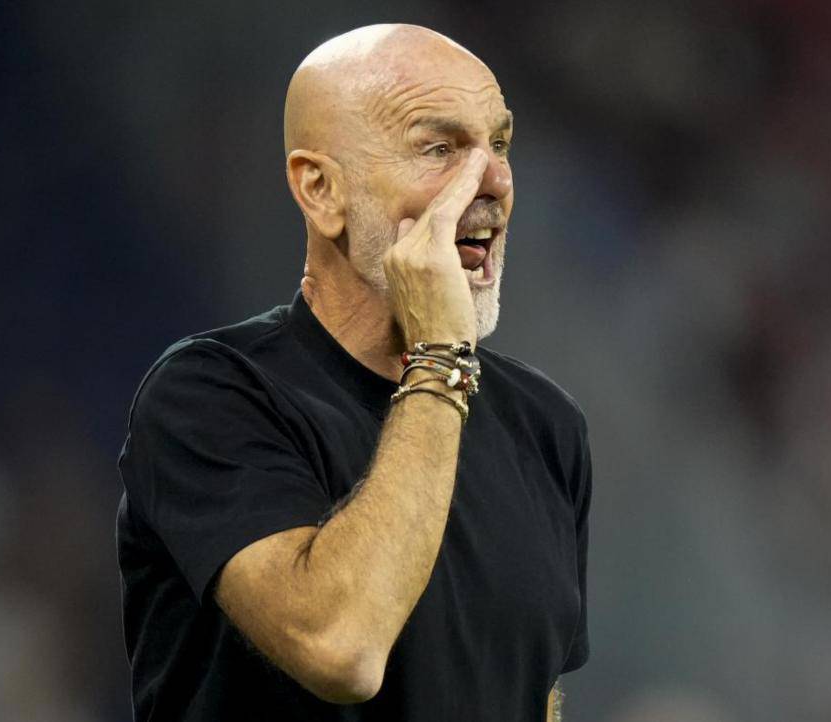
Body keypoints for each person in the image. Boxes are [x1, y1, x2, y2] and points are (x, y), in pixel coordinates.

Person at [116, 24, 591, 722]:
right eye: (439, 149)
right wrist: (440, 357)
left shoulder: (546, 426)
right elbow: (341, 648)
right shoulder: (209, 396)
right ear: (321, 190)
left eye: (499, 144)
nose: (494, 181)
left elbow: (533, 690)